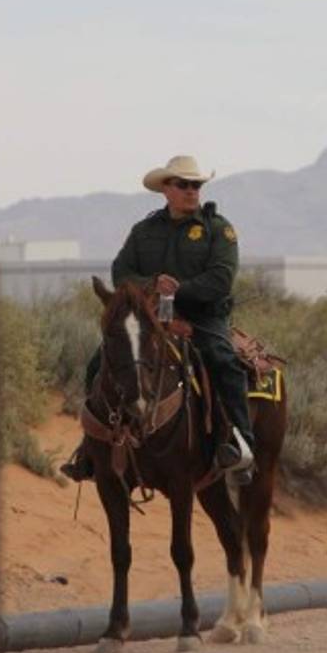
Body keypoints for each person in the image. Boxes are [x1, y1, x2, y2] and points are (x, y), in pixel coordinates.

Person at [60, 155, 256, 482]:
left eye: (196, 185)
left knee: (223, 361)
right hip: (152, 318)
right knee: (99, 364)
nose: (192, 191)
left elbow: (221, 278)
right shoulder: (144, 231)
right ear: (166, 188)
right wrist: (151, 284)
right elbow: (121, 272)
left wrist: (180, 290)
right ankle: (91, 446)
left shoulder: (219, 230)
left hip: (203, 320)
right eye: (184, 185)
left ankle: (239, 445)